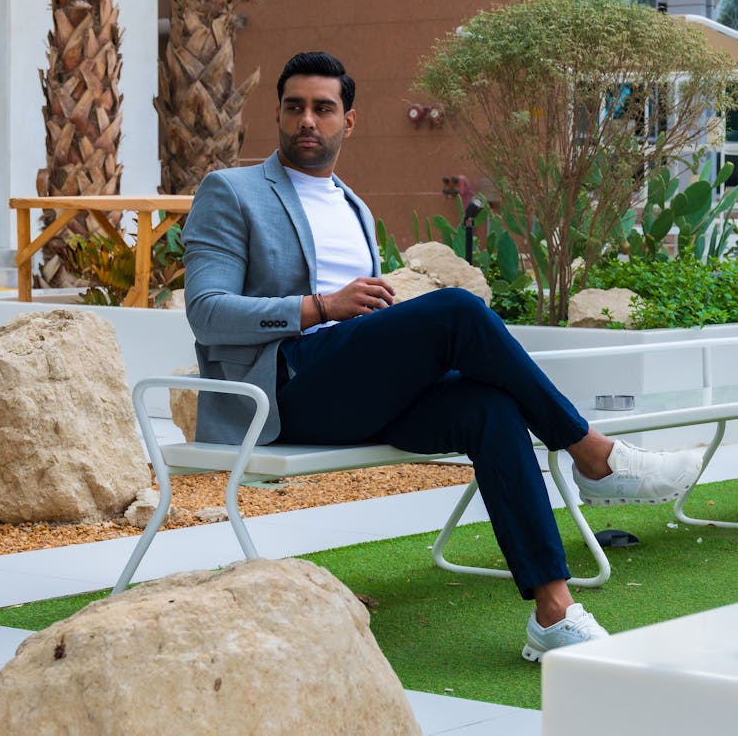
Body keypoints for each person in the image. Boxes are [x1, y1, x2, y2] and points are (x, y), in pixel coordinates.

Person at [182, 51, 703, 662]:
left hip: (358, 388)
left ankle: (554, 612)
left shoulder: (351, 205)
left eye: (324, 109)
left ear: (348, 122)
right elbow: (207, 311)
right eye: (294, 107)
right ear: (277, 114)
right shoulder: (232, 191)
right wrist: (319, 307)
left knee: (489, 406)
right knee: (456, 309)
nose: (307, 120)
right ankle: (593, 454)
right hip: (285, 391)